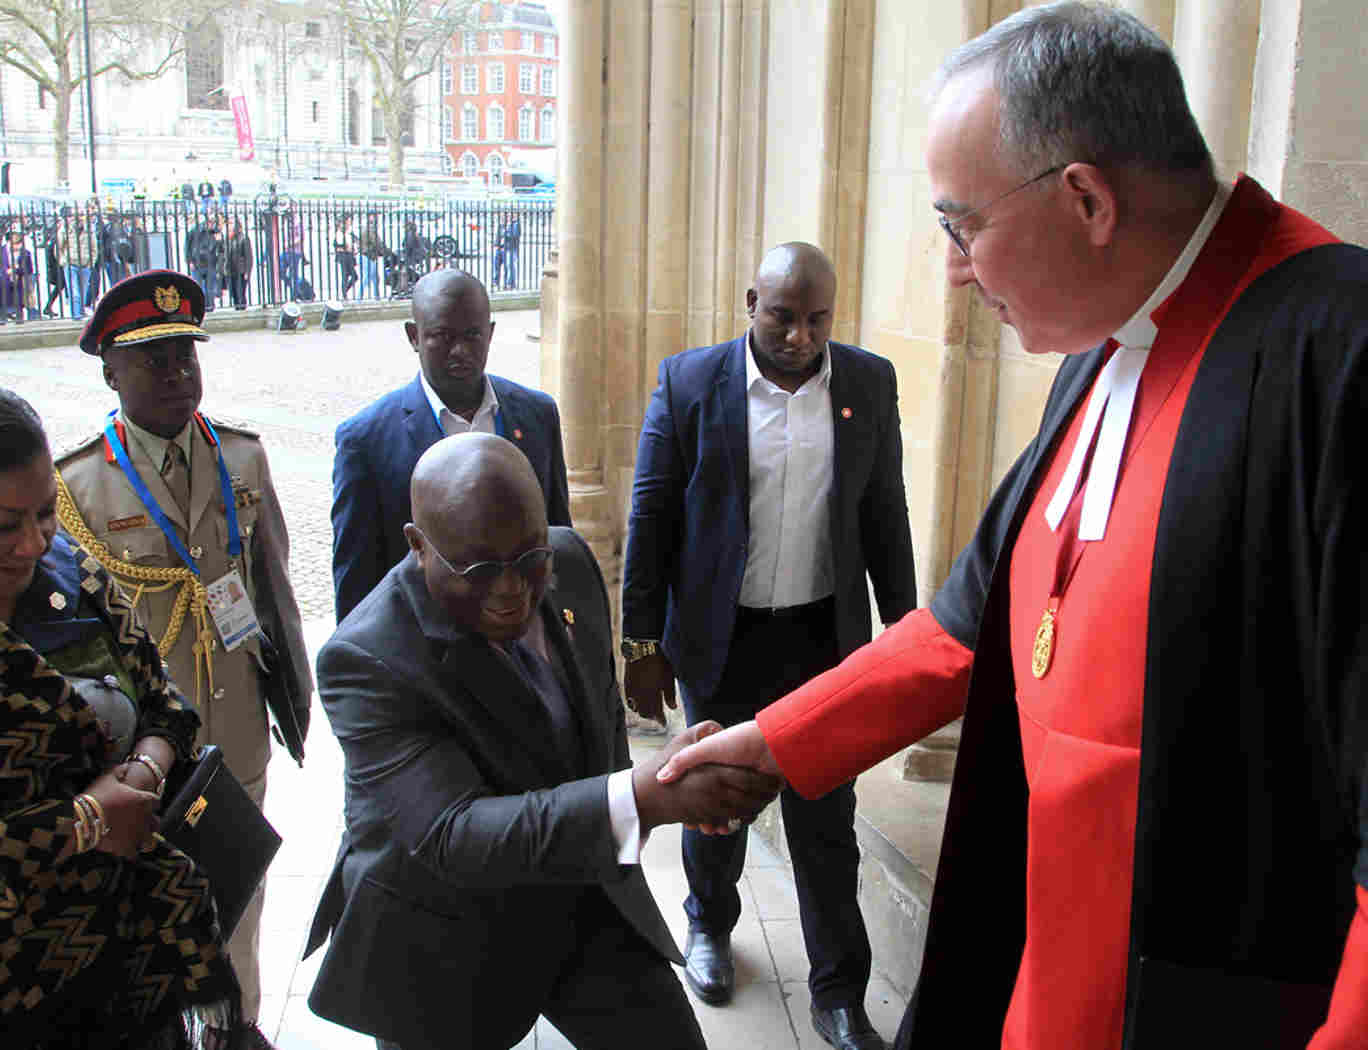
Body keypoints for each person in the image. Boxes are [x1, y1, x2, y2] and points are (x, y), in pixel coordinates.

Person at [658, 4, 1368, 1049]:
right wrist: (770, 747)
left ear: (1083, 198)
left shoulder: (1336, 357)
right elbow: (966, 623)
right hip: (1036, 971)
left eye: (961, 225)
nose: (950, 267)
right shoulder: (1097, 346)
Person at [304, 432, 779, 1050]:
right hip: (445, 935)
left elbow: (596, 732)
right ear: (419, 546)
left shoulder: (571, 564)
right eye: (478, 568)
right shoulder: (366, 659)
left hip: (583, 902)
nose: (512, 589)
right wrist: (648, 797)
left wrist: (675, 773)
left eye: (529, 558)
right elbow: (453, 833)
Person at [621, 241, 916, 1050]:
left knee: (829, 820)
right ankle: (710, 927)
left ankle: (838, 993)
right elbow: (651, 516)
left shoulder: (867, 382)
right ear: (750, 299)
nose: (800, 337)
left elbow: (884, 510)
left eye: (818, 319)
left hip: (823, 640)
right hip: (723, 635)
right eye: (783, 316)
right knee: (713, 802)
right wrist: (640, 642)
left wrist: (904, 633)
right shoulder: (690, 382)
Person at [55, 270, 312, 1050]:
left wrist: (294, 705)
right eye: (153, 360)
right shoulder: (79, 486)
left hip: (234, 723)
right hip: (144, 750)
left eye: (185, 357)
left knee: (239, 885)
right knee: (151, 900)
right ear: (110, 371)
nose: (176, 375)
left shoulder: (240, 458)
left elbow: (273, 592)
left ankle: (238, 1025)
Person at [0, 377, 245, 1049]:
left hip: (143, 956)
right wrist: (87, 822)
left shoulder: (71, 576)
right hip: (9, 989)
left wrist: (147, 769)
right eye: (3, 526)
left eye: (44, 515)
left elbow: (166, 702)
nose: (33, 546)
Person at [331, 269, 571, 622]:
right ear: (414, 336)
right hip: (423, 659)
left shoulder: (537, 416)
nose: (460, 351)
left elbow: (558, 541)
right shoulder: (366, 441)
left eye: (472, 335)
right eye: (442, 336)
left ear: (490, 333)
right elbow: (357, 588)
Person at [58, 207, 96, 321]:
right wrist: (63, 261)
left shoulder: (89, 229)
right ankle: (76, 315)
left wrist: (91, 263)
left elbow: (94, 248)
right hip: (71, 264)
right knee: (75, 292)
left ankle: (81, 312)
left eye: (81, 214)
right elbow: (59, 247)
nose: (79, 217)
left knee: (83, 291)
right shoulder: (66, 229)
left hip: (85, 264)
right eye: (77, 215)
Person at [0, 228, 34, 324]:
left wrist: (17, 270)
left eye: (18, 240)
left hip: (18, 283)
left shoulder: (25, 253)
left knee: (18, 305)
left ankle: (19, 323)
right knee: (0, 305)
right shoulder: (1, 250)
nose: (17, 244)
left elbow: (29, 270)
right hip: (2, 282)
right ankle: (0, 323)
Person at [226, 218, 253, 310]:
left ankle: (241, 309)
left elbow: (248, 257)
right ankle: (237, 307)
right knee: (233, 292)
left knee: (240, 292)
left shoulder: (244, 238)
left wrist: (247, 271)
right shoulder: (230, 239)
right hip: (232, 270)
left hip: (240, 271)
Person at [357, 215, 385, 299]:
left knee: (375, 278)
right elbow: (376, 242)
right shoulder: (370, 230)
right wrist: (383, 250)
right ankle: (359, 297)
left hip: (369, 256)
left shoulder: (368, 229)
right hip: (368, 256)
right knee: (367, 278)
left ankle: (377, 296)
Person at [333, 215, 358, 299]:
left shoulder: (349, 232)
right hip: (343, 256)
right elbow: (338, 245)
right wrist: (346, 247)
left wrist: (354, 248)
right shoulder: (339, 232)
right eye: (348, 221)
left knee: (354, 276)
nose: (349, 223)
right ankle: (344, 293)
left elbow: (356, 241)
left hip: (350, 255)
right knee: (345, 275)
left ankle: (345, 290)